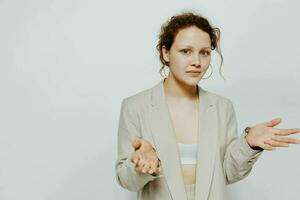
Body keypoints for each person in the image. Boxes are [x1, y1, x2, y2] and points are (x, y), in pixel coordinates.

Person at [115, 11, 300, 200]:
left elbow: (228, 173)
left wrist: (248, 144)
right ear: (165, 52)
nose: (197, 62)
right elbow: (126, 180)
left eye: (204, 53)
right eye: (186, 51)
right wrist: (142, 165)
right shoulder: (135, 106)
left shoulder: (222, 107)